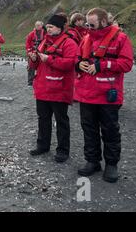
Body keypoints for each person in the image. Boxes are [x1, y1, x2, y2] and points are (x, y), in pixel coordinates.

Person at [75, 8, 133, 183]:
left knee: (110, 130)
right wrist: (79, 65)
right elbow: (77, 58)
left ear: (103, 22)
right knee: (89, 129)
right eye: (87, 23)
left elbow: (127, 63)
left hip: (108, 95)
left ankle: (111, 164)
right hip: (86, 93)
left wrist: (103, 65)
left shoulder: (121, 38)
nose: (89, 27)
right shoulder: (85, 39)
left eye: (92, 24)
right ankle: (92, 161)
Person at [28, 14, 78, 163]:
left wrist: (49, 59)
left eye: (51, 27)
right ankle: (43, 145)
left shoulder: (70, 43)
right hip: (43, 88)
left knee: (61, 120)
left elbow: (70, 64)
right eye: (47, 27)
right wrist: (34, 59)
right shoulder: (44, 42)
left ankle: (63, 150)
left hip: (60, 88)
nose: (47, 30)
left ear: (60, 28)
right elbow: (34, 66)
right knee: (43, 118)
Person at [25, 21, 45, 86]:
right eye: (36, 25)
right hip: (32, 52)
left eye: (39, 25)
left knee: (42, 67)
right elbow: (27, 43)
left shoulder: (45, 33)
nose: (37, 26)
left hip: (42, 53)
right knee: (31, 67)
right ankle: (30, 82)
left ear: (42, 26)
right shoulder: (31, 34)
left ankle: (41, 81)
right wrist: (29, 51)